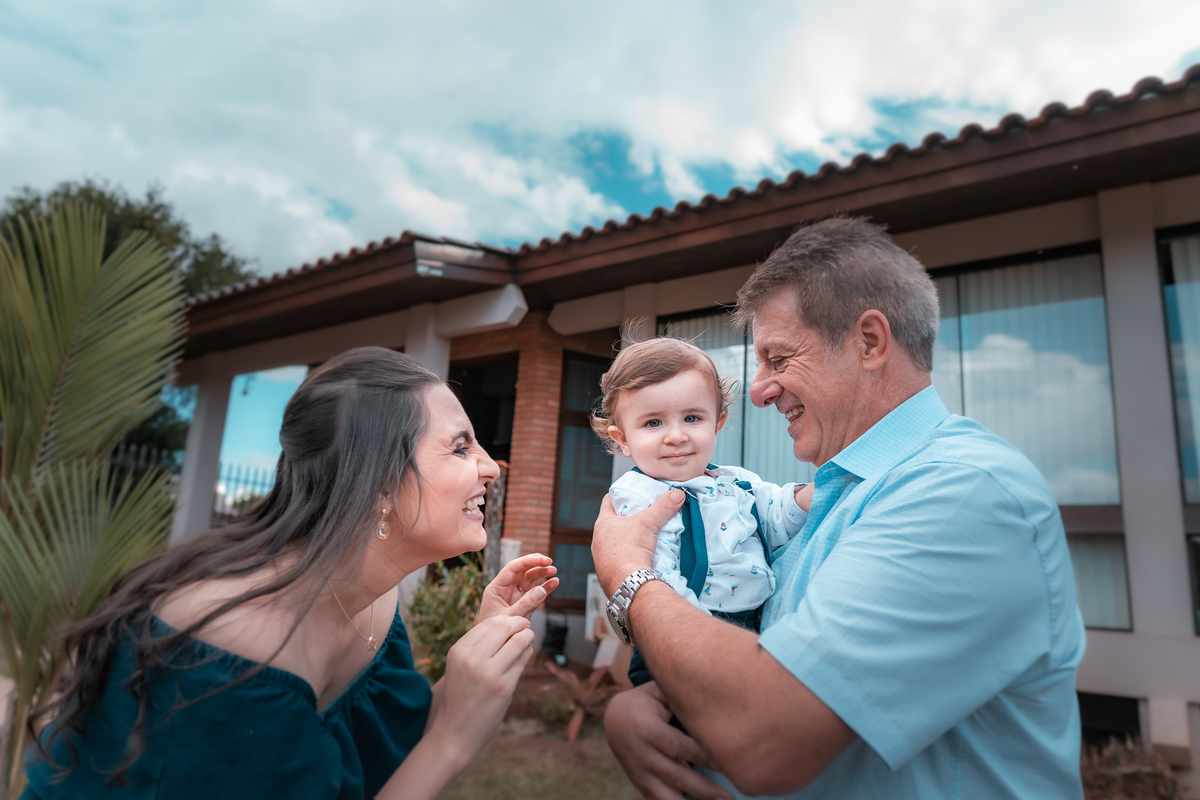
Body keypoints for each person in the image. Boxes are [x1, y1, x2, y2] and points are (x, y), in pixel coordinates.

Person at [592, 217, 1086, 799]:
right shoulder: (836, 494)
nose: (758, 389)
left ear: (869, 342)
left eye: (778, 358)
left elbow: (766, 732)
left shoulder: (962, 492)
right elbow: (743, 662)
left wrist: (630, 576)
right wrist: (641, 710)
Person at [21, 347, 558, 800]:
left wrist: (478, 656)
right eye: (461, 447)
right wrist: (455, 740)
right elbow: (430, 747)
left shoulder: (373, 599)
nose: (490, 466)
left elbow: (385, 758)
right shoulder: (239, 650)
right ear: (379, 487)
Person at [590, 337, 812, 685]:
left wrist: (814, 494)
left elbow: (776, 512)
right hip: (682, 628)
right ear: (622, 439)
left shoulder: (736, 482)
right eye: (653, 423)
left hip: (754, 622)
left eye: (692, 418)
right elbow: (656, 570)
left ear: (717, 424)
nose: (676, 436)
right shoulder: (639, 495)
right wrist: (696, 625)